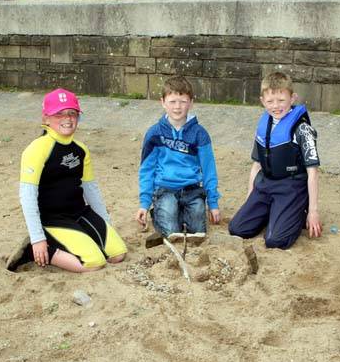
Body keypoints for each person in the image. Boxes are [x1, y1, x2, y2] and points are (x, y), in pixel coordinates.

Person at [7, 88, 126, 273]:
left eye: (72, 113)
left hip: (80, 213)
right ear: (46, 118)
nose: (67, 118)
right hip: (53, 219)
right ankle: (35, 250)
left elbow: (91, 190)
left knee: (118, 254)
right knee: (94, 263)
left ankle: (79, 238)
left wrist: (105, 223)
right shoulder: (36, 150)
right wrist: (37, 237)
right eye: (59, 114)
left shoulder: (81, 149)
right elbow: (27, 197)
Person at [228, 72, 322, 249]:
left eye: (281, 100)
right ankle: (274, 211)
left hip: (291, 187)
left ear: (292, 98)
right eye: (270, 102)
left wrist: (313, 211)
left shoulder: (302, 129)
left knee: (275, 240)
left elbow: (313, 173)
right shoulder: (264, 124)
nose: (276, 106)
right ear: (263, 101)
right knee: (237, 229)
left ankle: (298, 212)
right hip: (266, 184)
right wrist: (250, 197)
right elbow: (256, 165)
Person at [135, 76, 221, 239]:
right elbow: (146, 169)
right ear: (163, 102)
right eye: (173, 101)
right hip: (165, 188)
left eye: (182, 101)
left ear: (191, 102)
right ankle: (161, 212)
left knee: (198, 231)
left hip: (192, 189)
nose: (177, 107)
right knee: (171, 232)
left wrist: (213, 204)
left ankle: (180, 211)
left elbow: (209, 170)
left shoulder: (199, 134)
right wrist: (144, 203)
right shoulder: (154, 133)